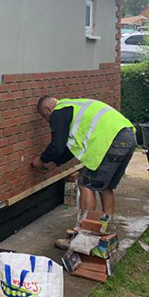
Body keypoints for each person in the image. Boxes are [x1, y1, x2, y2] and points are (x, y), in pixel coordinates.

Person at [33, 96, 136, 248]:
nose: (48, 121)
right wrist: (56, 162)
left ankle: (82, 236)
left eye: (45, 117)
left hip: (111, 140)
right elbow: (69, 147)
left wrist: (41, 160)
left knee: (85, 184)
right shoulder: (73, 107)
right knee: (105, 186)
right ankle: (106, 230)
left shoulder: (59, 112)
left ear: (48, 109)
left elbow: (57, 145)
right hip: (127, 136)